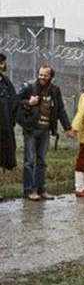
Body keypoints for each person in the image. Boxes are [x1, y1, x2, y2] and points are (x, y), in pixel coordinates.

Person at [16, 64, 74, 201]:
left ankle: (41, 189)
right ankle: (29, 190)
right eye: (40, 74)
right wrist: (28, 102)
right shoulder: (29, 87)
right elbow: (16, 101)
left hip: (45, 129)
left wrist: (67, 127)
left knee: (42, 161)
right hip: (31, 128)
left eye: (45, 75)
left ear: (51, 77)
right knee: (29, 161)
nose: (42, 77)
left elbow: (60, 109)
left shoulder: (54, 90)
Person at [0, 53, 17, 202]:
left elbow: (14, 103)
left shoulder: (6, 83)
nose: (1, 65)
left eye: (2, 63)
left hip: (3, 129)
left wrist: (11, 122)